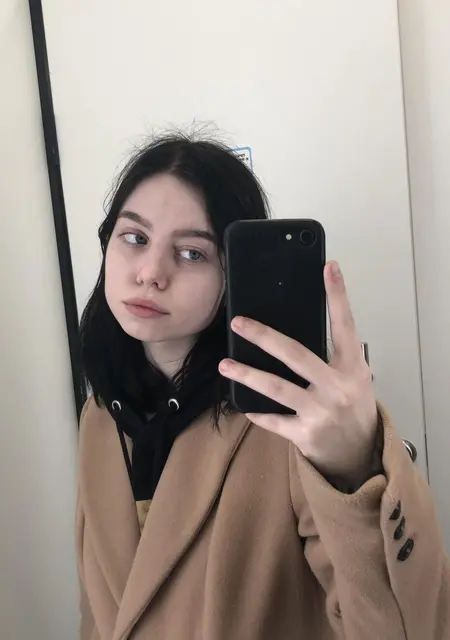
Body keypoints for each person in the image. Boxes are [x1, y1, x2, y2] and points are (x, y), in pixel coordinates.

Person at [77, 133, 450, 640]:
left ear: (233, 274)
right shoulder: (100, 414)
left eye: (191, 253)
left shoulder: (293, 425)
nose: (150, 273)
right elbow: (97, 614)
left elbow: (403, 629)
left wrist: (356, 466)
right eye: (135, 237)